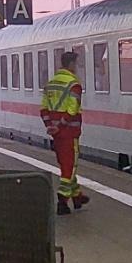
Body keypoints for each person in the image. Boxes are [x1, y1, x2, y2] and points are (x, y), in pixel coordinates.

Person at [40, 53, 89, 216]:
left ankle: (77, 197)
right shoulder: (74, 85)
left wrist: (50, 126)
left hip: (56, 134)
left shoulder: (51, 83)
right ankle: (62, 201)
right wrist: (60, 125)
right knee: (70, 167)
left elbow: (43, 109)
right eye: (76, 64)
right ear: (72, 64)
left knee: (65, 163)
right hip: (69, 132)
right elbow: (72, 110)